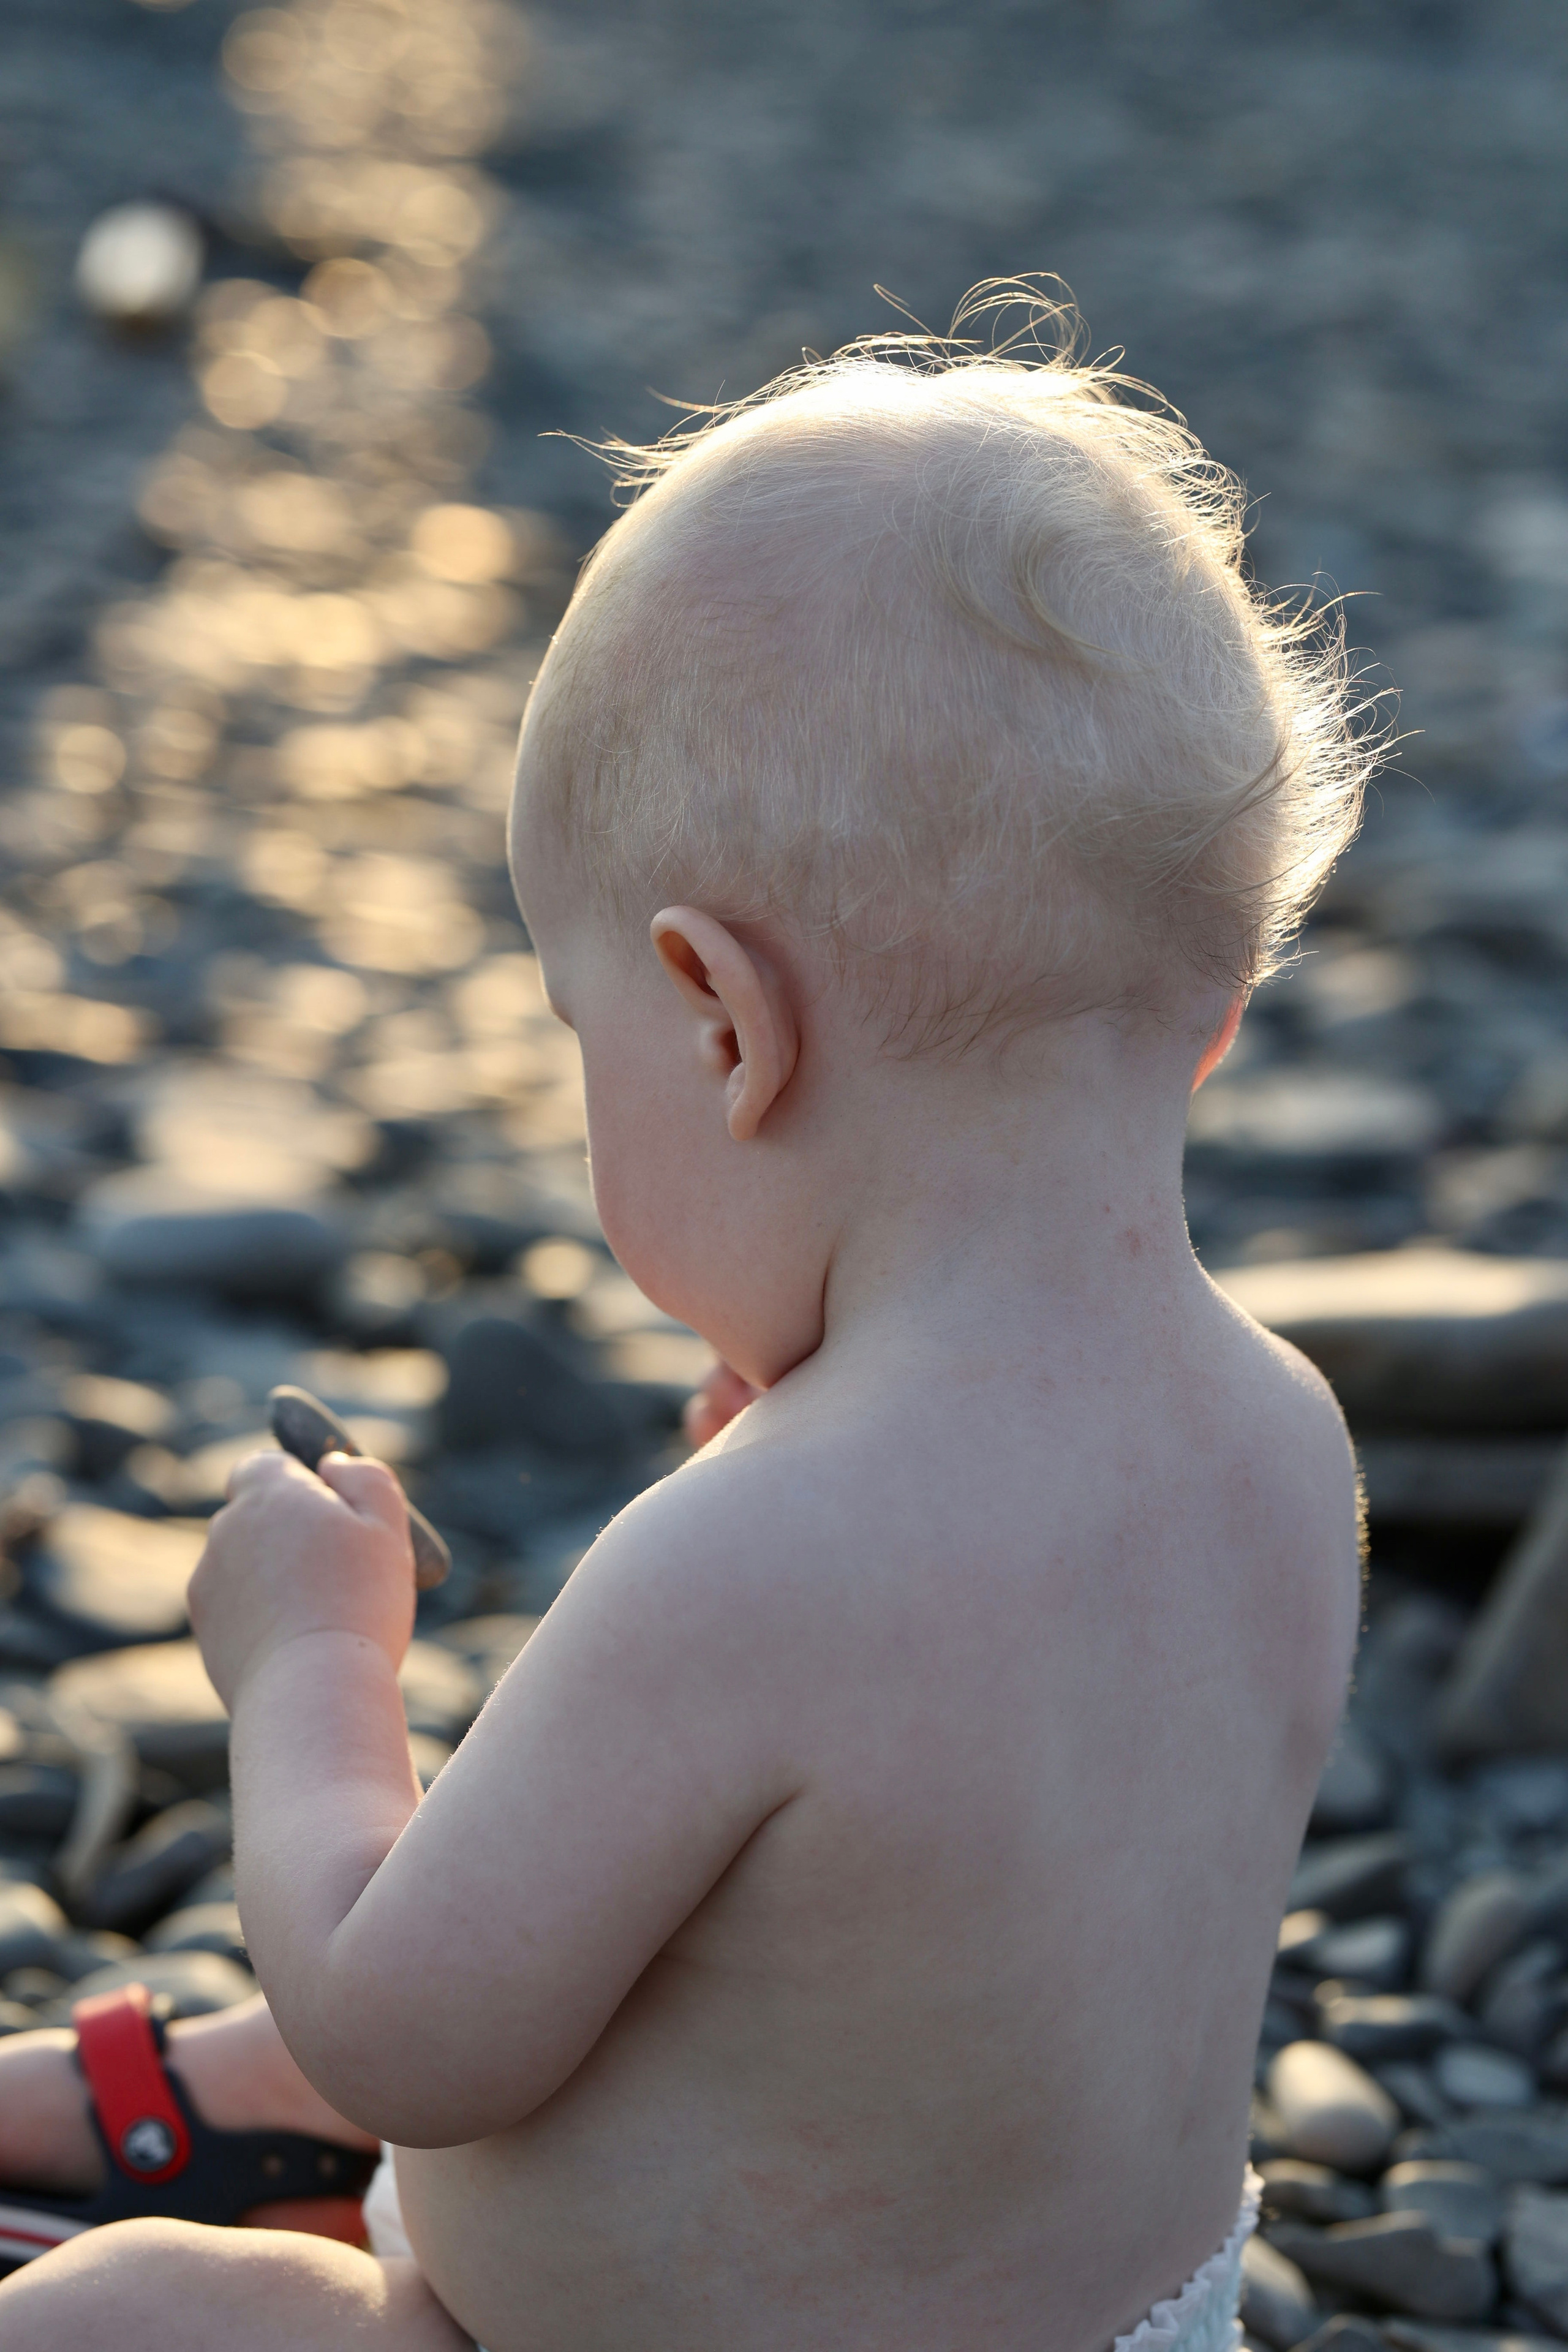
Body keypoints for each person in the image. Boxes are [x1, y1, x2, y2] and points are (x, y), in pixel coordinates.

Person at [0, 292, 1369, 2350]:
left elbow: (392, 2028)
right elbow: (929, 1929)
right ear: (1213, 1021)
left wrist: (305, 1665)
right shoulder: (1286, 1442)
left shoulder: (759, 1562)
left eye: (585, 1034)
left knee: (144, 2314)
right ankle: (211, 2104)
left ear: (724, 1021)